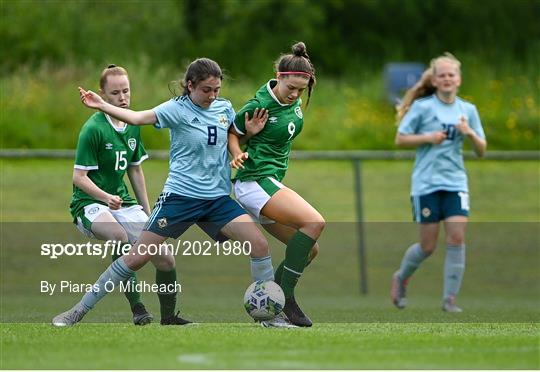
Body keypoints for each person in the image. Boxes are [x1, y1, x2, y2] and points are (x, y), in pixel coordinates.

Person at [53, 58, 278, 327]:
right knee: (136, 258)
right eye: (206, 89)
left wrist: (246, 136)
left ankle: (269, 317)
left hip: (217, 199)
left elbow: (228, 137)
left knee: (259, 244)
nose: (212, 95)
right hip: (180, 198)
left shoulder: (224, 107)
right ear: (190, 86)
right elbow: (138, 117)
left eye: (217, 89)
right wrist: (102, 105)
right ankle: (78, 310)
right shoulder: (176, 109)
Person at [228, 42, 325, 327]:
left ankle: (273, 303)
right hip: (254, 181)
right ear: (279, 76)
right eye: (291, 87)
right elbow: (231, 134)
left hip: (267, 182)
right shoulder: (259, 105)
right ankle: (288, 301)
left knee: (309, 250)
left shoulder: (291, 102)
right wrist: (237, 151)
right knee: (315, 223)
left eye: (301, 89)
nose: (295, 94)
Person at [390, 52, 487, 312]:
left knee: (456, 238)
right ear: (434, 80)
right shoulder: (423, 108)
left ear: (459, 79)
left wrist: (469, 134)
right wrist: (429, 137)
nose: (446, 79)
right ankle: (401, 277)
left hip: (456, 182)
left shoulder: (468, 110)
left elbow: (482, 149)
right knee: (428, 246)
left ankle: (450, 300)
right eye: (441, 75)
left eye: (451, 75)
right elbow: (401, 138)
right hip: (426, 183)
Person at [69, 64, 153, 325]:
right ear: (103, 96)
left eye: (126, 91)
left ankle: (171, 315)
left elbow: (135, 171)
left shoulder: (132, 124)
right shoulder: (93, 129)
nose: (123, 97)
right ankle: (137, 307)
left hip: (121, 202)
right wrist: (106, 197)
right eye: (115, 93)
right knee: (118, 235)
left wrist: (149, 213)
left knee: (160, 250)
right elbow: (78, 178)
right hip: (89, 204)